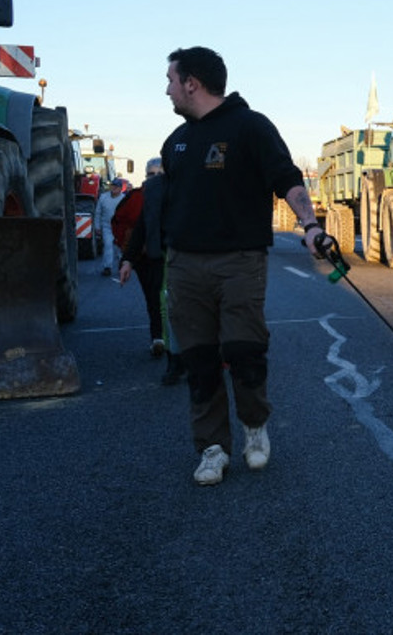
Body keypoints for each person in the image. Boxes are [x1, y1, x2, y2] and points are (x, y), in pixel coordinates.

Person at [161, 46, 333, 486]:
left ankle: (254, 426)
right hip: (185, 266)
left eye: (171, 80)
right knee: (198, 361)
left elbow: (287, 180)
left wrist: (311, 226)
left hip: (239, 262)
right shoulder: (175, 142)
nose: (168, 90)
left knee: (243, 351)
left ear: (192, 83)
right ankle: (212, 449)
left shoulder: (251, 127)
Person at [117, 158, 175, 370]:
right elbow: (137, 227)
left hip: (174, 257)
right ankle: (160, 340)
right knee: (154, 299)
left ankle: (177, 351)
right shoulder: (139, 198)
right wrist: (128, 259)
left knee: (173, 302)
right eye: (152, 175)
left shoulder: (180, 197)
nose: (156, 179)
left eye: (160, 174)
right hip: (147, 257)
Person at [93, 178, 126, 276]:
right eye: (113, 185)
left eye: (117, 186)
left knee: (120, 248)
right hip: (107, 226)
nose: (114, 188)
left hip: (120, 227)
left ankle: (122, 265)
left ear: (120, 188)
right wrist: (97, 227)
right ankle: (107, 267)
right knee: (108, 246)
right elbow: (98, 213)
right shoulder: (103, 197)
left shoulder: (124, 199)